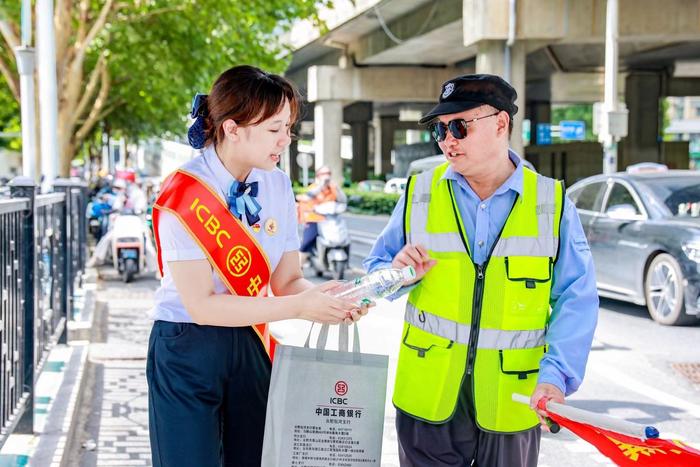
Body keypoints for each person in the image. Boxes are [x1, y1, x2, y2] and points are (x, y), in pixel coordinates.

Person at [364, 74, 598, 466]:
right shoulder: (418, 192)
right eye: (440, 129)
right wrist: (396, 273)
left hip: (510, 401)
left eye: (459, 126)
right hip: (427, 397)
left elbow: (576, 297)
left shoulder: (552, 204)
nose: (447, 140)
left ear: (501, 123)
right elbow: (374, 274)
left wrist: (556, 377)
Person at [147, 65, 369, 467]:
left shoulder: (278, 183)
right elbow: (202, 305)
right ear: (232, 128)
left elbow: (287, 281)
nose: (286, 140)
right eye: (274, 130)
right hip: (187, 345)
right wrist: (299, 308)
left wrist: (332, 297)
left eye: (289, 129)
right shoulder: (184, 193)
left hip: (249, 341)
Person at [296, 165, 347, 264]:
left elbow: (343, 200)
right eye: (324, 174)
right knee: (307, 243)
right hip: (314, 219)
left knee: (343, 238)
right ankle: (299, 267)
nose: (326, 176)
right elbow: (308, 197)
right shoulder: (314, 187)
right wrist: (321, 186)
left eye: (328, 173)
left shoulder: (332, 188)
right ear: (318, 176)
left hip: (330, 220)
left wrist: (337, 188)